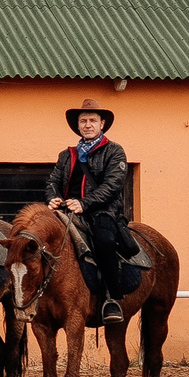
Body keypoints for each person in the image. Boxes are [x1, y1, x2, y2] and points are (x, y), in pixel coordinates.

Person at [47, 96, 137, 323]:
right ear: (77, 125)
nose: (87, 125)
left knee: (105, 241)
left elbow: (113, 185)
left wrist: (85, 203)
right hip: (67, 211)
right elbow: (52, 181)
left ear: (102, 124)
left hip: (102, 212)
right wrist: (54, 198)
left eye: (92, 120)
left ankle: (111, 298)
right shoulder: (66, 155)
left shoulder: (115, 151)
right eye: (83, 121)